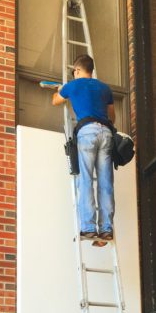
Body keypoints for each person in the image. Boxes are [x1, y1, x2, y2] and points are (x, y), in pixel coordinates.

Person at [52, 54, 116, 246]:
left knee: (86, 179)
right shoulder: (105, 88)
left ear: (78, 70)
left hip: (87, 132)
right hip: (106, 133)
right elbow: (112, 116)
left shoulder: (73, 85)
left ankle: (88, 227)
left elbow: (56, 101)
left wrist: (59, 90)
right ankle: (106, 230)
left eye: (75, 71)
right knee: (105, 182)